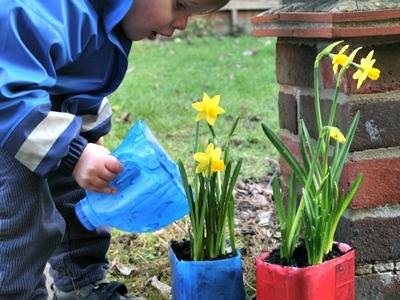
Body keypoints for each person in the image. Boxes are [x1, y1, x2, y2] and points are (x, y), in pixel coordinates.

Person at [0, 0, 230, 299]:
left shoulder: (111, 26)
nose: (182, 23)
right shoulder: (46, 11)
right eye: (179, 5)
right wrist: (74, 151)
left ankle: (80, 285)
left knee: (81, 193)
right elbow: (9, 94)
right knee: (23, 208)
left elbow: (84, 91)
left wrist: (89, 141)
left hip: (36, 120)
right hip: (9, 121)